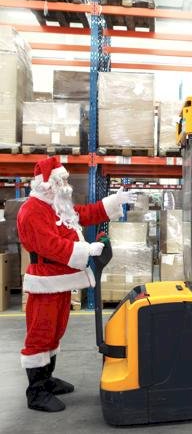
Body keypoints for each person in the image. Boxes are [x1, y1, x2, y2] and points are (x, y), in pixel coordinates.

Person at [17, 156, 136, 412]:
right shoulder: (31, 210)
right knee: (41, 332)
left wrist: (114, 202)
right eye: (60, 180)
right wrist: (86, 249)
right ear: (45, 184)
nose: (65, 185)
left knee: (55, 330)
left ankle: (47, 379)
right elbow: (50, 245)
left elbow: (84, 213)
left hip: (61, 280)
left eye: (65, 180)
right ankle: (36, 391)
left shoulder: (57, 205)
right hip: (45, 281)